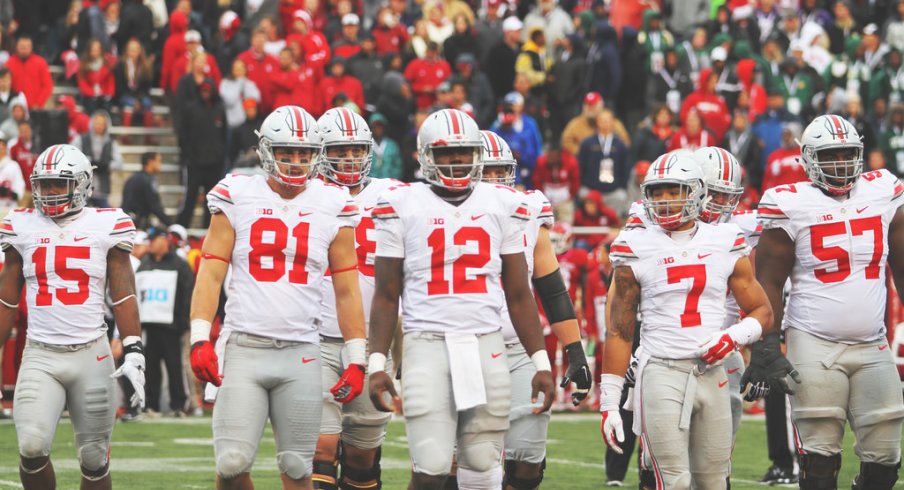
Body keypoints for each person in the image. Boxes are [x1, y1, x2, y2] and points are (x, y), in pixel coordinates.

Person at [367, 109, 556, 489]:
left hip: (486, 343)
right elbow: (387, 295)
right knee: (432, 465)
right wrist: (376, 363)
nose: (457, 161)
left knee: (483, 463)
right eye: (446, 153)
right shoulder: (400, 204)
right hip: (427, 344)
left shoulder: (503, 203)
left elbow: (519, 294)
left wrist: (541, 361)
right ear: (425, 156)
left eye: (464, 152)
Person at [189, 105, 369, 489]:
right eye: (286, 152)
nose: (295, 161)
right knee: (232, 463)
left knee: (298, 467)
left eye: (304, 154)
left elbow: (347, 288)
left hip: (301, 350)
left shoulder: (333, 203)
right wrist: (200, 337)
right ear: (267, 151)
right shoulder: (237, 193)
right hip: (243, 345)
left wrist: (356, 357)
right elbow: (211, 269)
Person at [601, 151, 776, 488]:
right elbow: (619, 329)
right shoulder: (636, 242)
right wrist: (610, 401)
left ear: (695, 191)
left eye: (675, 191)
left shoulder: (728, 238)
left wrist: (734, 337)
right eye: (657, 192)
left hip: (716, 365)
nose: (665, 201)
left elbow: (761, 310)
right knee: (670, 478)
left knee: (714, 477)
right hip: (661, 366)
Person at [753, 114, 904, 490]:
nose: (840, 164)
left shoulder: (882, 190)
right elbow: (769, 280)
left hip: (873, 342)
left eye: (847, 154)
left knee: (885, 460)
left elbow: (903, 263)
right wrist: (768, 342)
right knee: (820, 459)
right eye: (830, 155)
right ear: (807, 160)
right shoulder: (789, 202)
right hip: (814, 340)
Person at [0, 144, 143, 490]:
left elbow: (123, 294)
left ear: (81, 185)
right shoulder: (22, 225)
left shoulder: (106, 224)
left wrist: (134, 349)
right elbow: (6, 299)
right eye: (43, 184)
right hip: (41, 354)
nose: (48, 193)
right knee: (31, 446)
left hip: (91, 354)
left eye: (57, 184)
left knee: (94, 459)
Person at [478, 130, 592, 489]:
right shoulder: (443, 214)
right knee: (459, 462)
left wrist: (575, 351)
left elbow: (552, 289)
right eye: (488, 172)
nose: (496, 182)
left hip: (519, 346)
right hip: (465, 343)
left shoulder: (527, 211)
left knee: (527, 460)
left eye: (502, 173)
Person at [312, 107, 395, 490]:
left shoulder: (394, 195)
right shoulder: (305, 195)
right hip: (315, 336)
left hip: (375, 341)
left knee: (363, 457)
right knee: (320, 447)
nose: (348, 159)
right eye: (339, 150)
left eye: (356, 150)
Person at [135, 227, 194, 416]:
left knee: (175, 365)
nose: (149, 244)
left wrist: (183, 322)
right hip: (149, 325)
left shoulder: (179, 264)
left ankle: (179, 405)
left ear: (164, 240)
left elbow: (187, 294)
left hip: (172, 326)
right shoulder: (144, 263)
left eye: (153, 240)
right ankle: (152, 405)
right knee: (150, 367)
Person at [74, 110, 122, 208]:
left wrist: (106, 165)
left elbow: (119, 163)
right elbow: (72, 155)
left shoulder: (111, 142)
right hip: (82, 187)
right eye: (97, 123)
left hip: (102, 188)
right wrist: (86, 162)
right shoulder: (81, 139)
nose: (99, 126)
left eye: (102, 124)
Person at [121, 152, 172, 229]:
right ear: (150, 162)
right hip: (137, 225)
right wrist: (172, 225)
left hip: (126, 221)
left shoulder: (132, 178)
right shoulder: (149, 180)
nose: (160, 164)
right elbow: (155, 206)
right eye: (158, 161)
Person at [0, 138, 25, 209]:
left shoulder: (13, 165)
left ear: (5, 148)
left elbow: (19, 183)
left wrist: (13, 194)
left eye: (1, 147)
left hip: (9, 205)